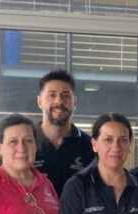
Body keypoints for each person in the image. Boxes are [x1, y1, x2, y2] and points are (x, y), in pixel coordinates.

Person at [34, 69, 96, 197]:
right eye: (52, 95)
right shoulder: (25, 143)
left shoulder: (90, 147)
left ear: (74, 102)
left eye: (66, 95)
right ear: (40, 101)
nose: (59, 101)